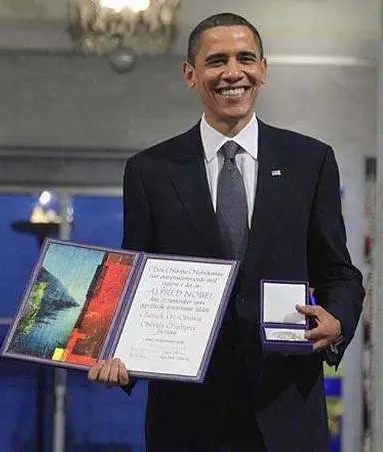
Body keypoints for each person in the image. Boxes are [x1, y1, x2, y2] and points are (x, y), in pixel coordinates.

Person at [88, 12, 364, 451]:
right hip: (186, 418)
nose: (233, 73)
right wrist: (116, 352)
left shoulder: (310, 161)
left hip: (287, 411)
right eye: (217, 61)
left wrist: (339, 319)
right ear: (190, 74)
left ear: (263, 70)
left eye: (245, 59)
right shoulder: (150, 171)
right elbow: (134, 280)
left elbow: (339, 272)